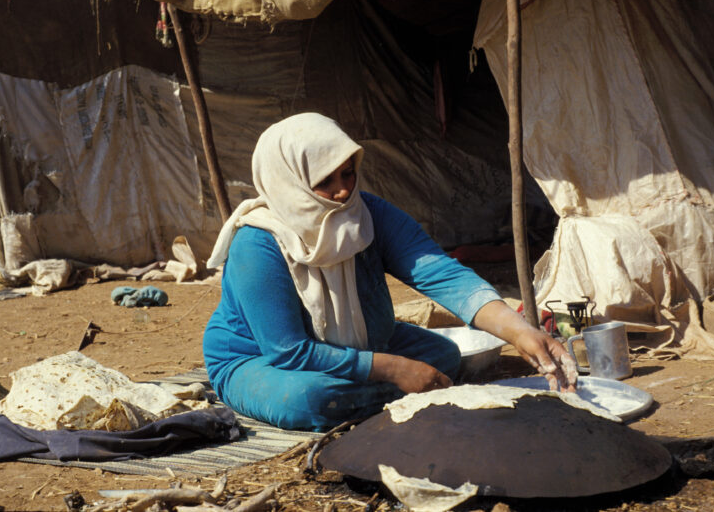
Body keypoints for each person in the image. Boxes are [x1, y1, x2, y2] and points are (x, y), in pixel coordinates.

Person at [203, 112, 576, 431]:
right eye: (325, 182)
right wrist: (396, 369)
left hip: (363, 342)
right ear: (291, 181)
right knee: (309, 399)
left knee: (443, 356)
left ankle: (374, 389)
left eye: (348, 174)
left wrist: (519, 331)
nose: (343, 192)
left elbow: (442, 274)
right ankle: (383, 388)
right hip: (260, 359)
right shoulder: (257, 244)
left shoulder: (369, 215)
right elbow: (288, 351)